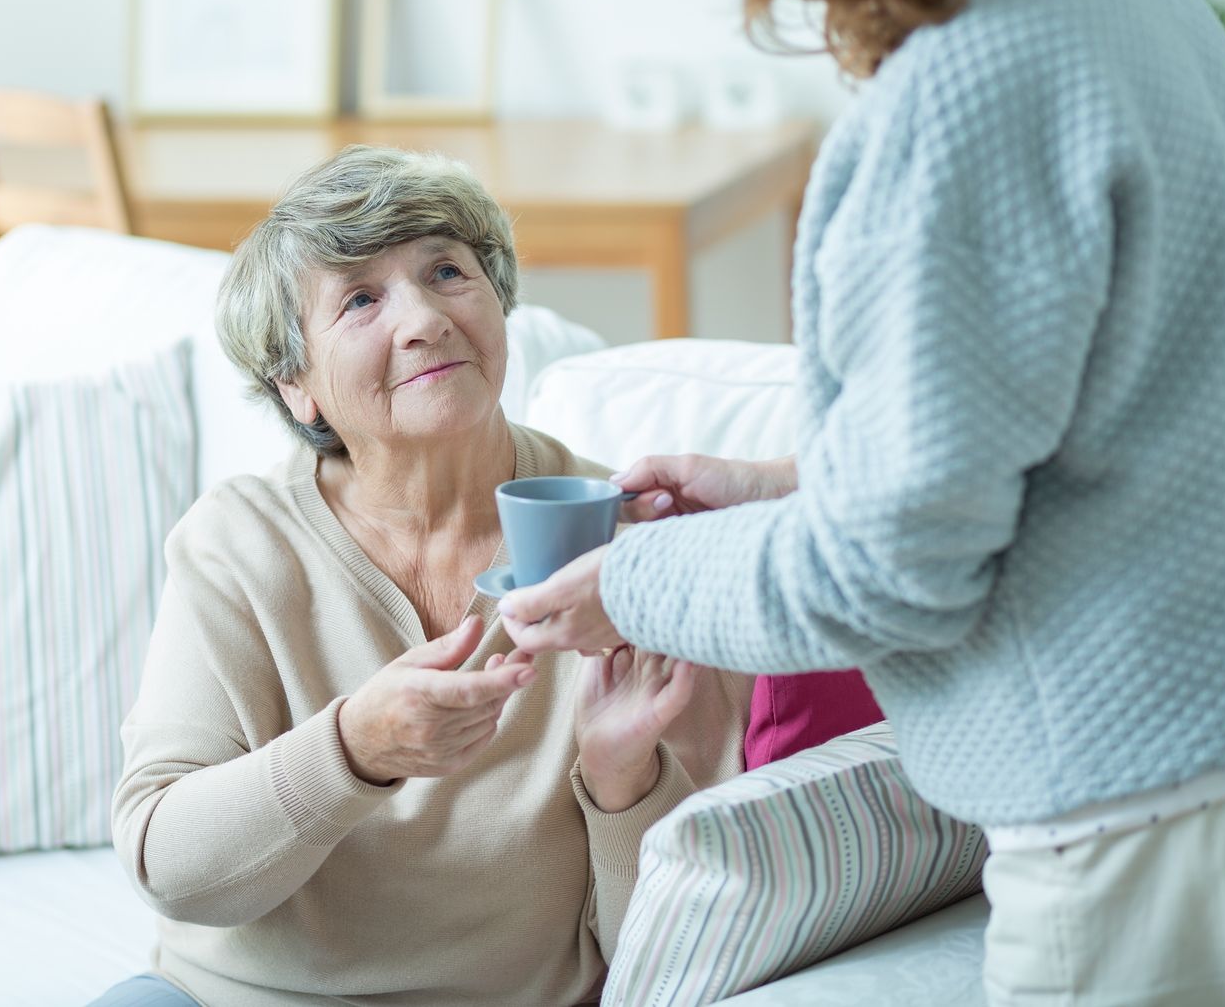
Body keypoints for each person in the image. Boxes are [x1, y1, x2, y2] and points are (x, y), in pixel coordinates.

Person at [499, 0, 1225, 1004]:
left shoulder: (952, 102)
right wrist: (793, 485)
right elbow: (1092, 420)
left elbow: (880, 576)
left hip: (1118, 803)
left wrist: (625, 581)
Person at [92, 144, 754, 1007]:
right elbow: (170, 866)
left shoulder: (624, 537)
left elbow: (669, 953)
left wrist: (622, 779)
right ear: (298, 385)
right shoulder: (237, 544)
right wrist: (352, 752)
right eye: (361, 298)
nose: (425, 318)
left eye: (447, 271)